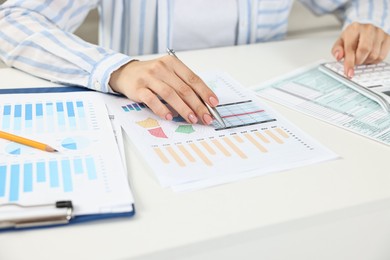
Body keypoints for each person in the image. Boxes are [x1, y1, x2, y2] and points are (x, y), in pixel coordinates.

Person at [0, 0, 389, 125]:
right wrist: (117, 69)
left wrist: (371, 25)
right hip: (146, 117)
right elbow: (12, 20)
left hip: (267, 112)